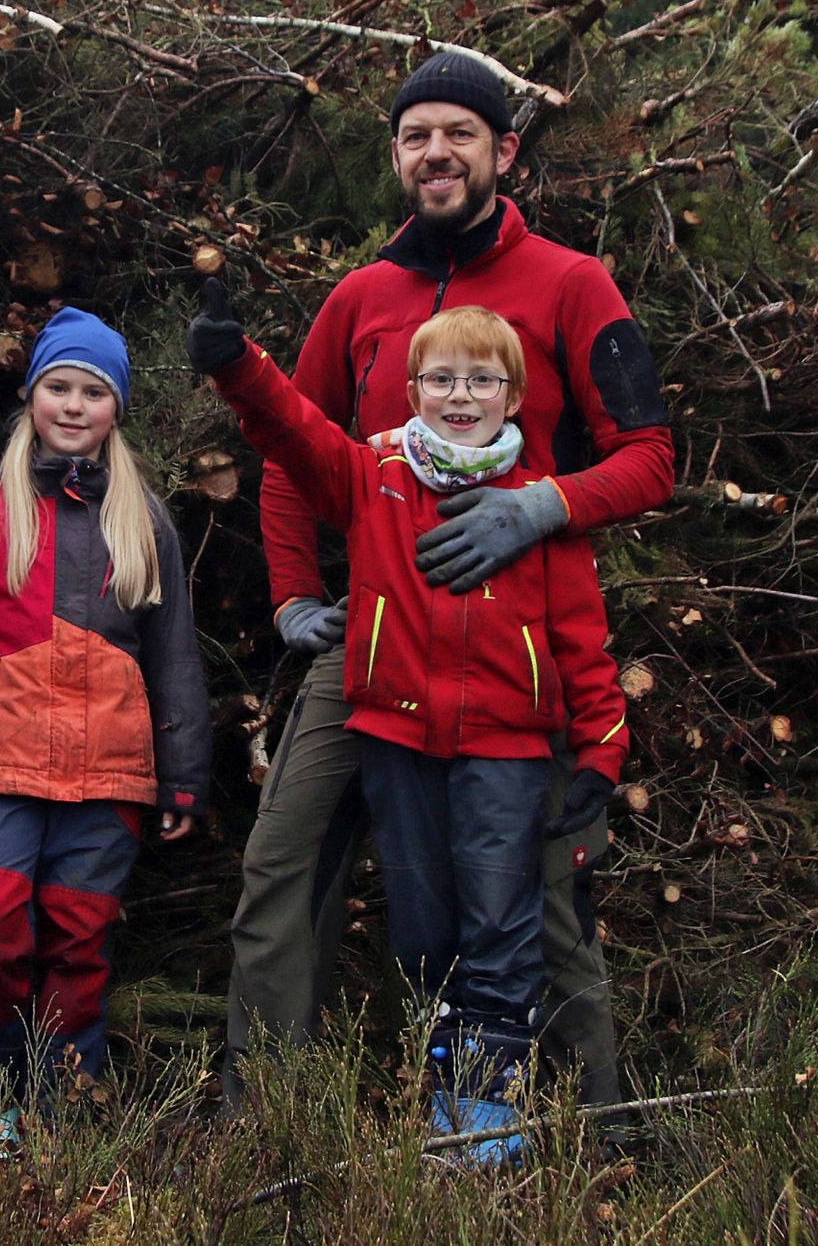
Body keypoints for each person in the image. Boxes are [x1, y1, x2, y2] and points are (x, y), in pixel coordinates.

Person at [223, 50, 675, 1110]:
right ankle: (268, 1118)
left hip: (511, 640)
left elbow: (651, 454)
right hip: (373, 641)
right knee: (281, 873)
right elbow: (297, 452)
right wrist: (295, 600)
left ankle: (590, 1130)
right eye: (418, 135)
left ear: (502, 151)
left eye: (460, 133)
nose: (438, 152)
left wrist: (539, 507)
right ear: (397, 156)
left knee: (535, 895)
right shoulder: (361, 299)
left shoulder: (572, 283)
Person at [190, 293, 629, 1155]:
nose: (459, 396)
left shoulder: (539, 505)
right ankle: (440, 1072)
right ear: (410, 388)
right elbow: (293, 431)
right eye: (440, 379)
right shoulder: (375, 474)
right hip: (396, 737)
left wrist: (602, 752)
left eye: (481, 381)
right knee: (426, 929)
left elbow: (584, 639)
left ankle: (485, 1113)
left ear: (514, 396)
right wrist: (238, 367)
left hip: (505, 743)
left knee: (502, 922)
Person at [0, 308, 211, 1127]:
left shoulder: (145, 521)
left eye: (94, 392)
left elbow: (174, 655)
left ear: (117, 409)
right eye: (58, 387)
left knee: (78, 939)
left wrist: (182, 778)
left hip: (109, 774)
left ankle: (65, 1102)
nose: (74, 406)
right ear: (33, 396)